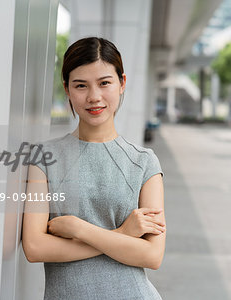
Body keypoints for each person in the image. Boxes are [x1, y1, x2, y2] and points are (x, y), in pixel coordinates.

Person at [22, 37, 166, 300]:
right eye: (80, 85)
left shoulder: (145, 162)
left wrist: (80, 229)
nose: (94, 97)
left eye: (104, 83)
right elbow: (34, 247)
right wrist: (122, 235)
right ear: (66, 88)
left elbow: (152, 255)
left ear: (122, 83)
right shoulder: (43, 157)